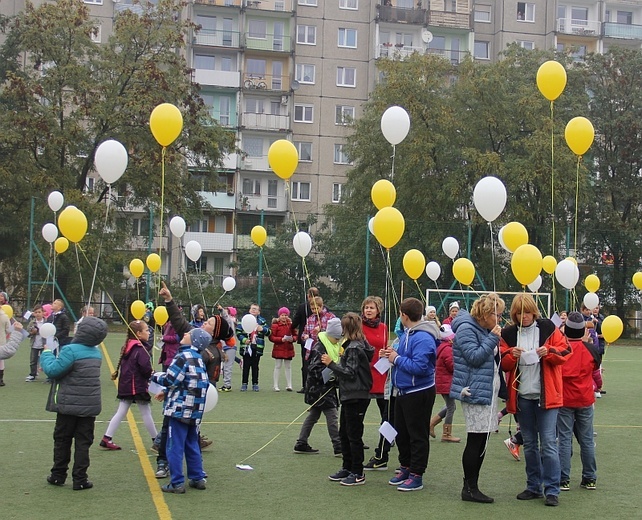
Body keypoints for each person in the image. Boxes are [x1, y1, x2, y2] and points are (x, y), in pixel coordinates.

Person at [500, 293, 572, 507]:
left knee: (548, 444)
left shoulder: (549, 328)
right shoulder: (508, 333)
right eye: (519, 313)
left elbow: (565, 353)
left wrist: (548, 351)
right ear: (514, 314)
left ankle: (552, 490)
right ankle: (533, 486)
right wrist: (511, 354)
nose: (524, 317)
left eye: (527, 312)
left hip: (546, 396)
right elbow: (502, 363)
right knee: (530, 444)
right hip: (522, 397)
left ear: (534, 311)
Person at [40, 317, 108, 491]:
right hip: (89, 406)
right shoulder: (96, 352)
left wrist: (47, 354)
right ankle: (80, 479)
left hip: (68, 405)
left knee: (62, 440)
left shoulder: (70, 350)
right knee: (83, 443)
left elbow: (54, 371)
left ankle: (58, 475)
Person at [451, 293, 505, 503]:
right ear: (485, 314)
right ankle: (469, 488)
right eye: (497, 315)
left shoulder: (481, 329)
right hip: (474, 392)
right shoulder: (466, 329)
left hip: (486, 391)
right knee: (476, 439)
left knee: (482, 440)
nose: (499, 319)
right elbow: (474, 357)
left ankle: (473, 486)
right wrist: (493, 337)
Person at [381, 297, 437, 492]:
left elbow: (420, 367)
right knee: (402, 433)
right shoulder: (406, 334)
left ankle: (416, 474)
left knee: (417, 435)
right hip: (403, 391)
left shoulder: (423, 337)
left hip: (419, 392)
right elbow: (403, 358)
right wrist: (390, 355)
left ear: (404, 315)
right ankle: (405, 467)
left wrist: (396, 359)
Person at [151, 327, 211, 494]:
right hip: (195, 409)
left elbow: (170, 379)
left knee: (174, 445)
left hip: (179, 409)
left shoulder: (182, 356)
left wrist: (154, 375)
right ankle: (197, 477)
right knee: (192, 444)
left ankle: (177, 482)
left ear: (194, 341)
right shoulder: (199, 358)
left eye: (189, 334)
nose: (184, 334)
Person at [325, 313, 374, 486]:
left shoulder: (354, 347)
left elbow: (350, 373)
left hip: (356, 395)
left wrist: (331, 364)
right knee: (344, 433)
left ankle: (357, 471)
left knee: (354, 435)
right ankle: (347, 467)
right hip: (349, 394)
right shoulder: (354, 344)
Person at [557, 311, 600, 492]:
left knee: (565, 439)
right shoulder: (591, 349)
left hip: (565, 399)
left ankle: (563, 479)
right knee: (587, 439)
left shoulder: (562, 349)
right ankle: (590, 477)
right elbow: (596, 369)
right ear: (583, 329)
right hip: (585, 398)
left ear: (565, 330)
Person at [100, 320, 158, 451]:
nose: (149, 333)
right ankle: (157, 440)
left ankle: (106, 438)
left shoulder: (128, 346)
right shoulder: (139, 349)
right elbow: (144, 368)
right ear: (138, 333)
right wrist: (152, 373)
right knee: (145, 412)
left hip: (126, 385)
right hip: (135, 386)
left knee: (121, 411)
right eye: (146, 330)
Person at [294, 317, 342, 456]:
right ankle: (338, 446)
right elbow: (314, 369)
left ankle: (301, 442)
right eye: (337, 338)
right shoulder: (320, 348)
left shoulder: (330, 346)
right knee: (332, 416)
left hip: (321, 389)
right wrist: (332, 375)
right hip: (320, 390)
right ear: (331, 335)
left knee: (313, 416)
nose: (338, 341)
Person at [361, 296, 392, 471]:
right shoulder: (358, 326)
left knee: (387, 418)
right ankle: (352, 447)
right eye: (366, 307)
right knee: (358, 415)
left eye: (371, 307)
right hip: (364, 376)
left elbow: (385, 346)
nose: (368, 310)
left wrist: (386, 352)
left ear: (378, 310)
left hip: (381, 374)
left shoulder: (384, 327)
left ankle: (383, 452)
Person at [430, 324, 461, 443]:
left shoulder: (442, 347)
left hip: (443, 381)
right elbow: (452, 366)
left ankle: (432, 423)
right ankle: (446, 433)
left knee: (450, 405)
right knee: (451, 407)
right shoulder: (448, 349)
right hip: (446, 382)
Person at [291, 287, 320, 392]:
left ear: (308, 295)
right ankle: (311, 385)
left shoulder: (302, 307)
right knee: (313, 362)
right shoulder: (322, 307)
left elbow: (295, 322)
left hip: (313, 340)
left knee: (306, 362)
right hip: (307, 339)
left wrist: (290, 329)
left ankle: (306, 386)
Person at [237, 303, 270, 391]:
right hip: (246, 347)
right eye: (252, 308)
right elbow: (238, 332)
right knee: (246, 366)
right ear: (249, 310)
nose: (253, 310)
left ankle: (255, 383)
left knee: (255, 366)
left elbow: (269, 332)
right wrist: (244, 340)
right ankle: (244, 384)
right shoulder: (244, 320)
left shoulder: (262, 321)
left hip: (257, 347)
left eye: (256, 309)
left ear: (259, 312)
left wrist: (262, 329)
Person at [269, 307, 297, 392]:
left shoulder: (291, 325)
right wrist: (281, 340)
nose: (284, 317)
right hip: (278, 349)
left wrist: (293, 339)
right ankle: (275, 385)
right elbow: (271, 337)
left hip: (288, 349)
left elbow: (295, 335)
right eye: (282, 315)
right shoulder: (275, 325)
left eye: (285, 315)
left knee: (288, 367)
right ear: (279, 315)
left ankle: (289, 385)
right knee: (278, 366)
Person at [218, 305, 238, 391]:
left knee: (227, 366)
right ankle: (226, 384)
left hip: (230, 346)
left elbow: (225, 316)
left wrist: (221, 310)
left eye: (226, 311)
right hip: (225, 347)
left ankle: (227, 385)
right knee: (225, 366)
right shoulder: (223, 323)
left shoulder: (229, 321)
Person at [26, 304, 46, 381]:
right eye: (36, 312)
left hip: (44, 344)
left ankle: (48, 375)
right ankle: (32, 374)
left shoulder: (46, 322)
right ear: (34, 314)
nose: (38, 314)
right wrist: (32, 332)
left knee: (45, 359)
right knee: (33, 360)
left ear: (43, 313)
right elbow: (28, 333)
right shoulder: (32, 323)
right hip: (34, 344)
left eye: (39, 312)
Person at [0, 304, 12, 386]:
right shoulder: (4, 316)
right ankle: (0, 379)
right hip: (1, 341)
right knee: (1, 360)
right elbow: (8, 330)